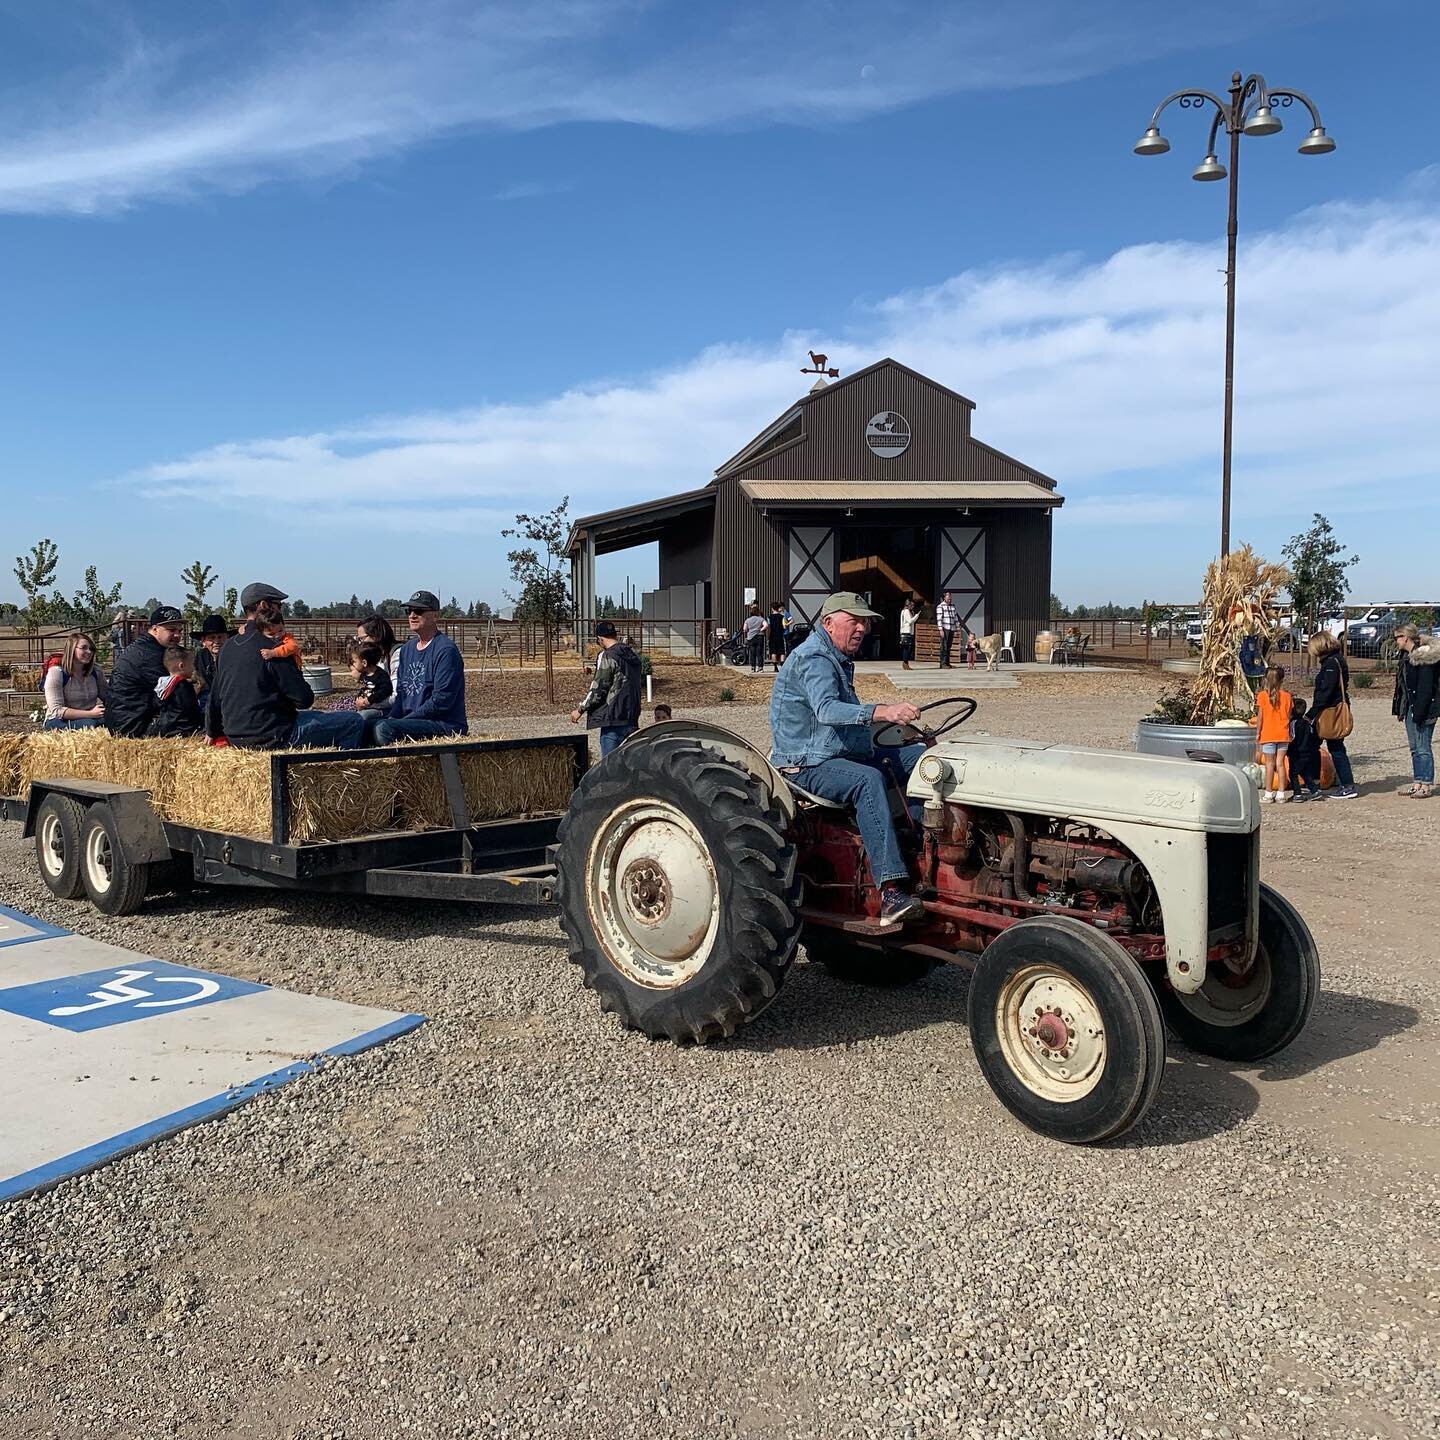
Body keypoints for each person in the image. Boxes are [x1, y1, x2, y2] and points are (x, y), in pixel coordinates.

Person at [769, 592, 927, 926]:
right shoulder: (815, 658)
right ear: (828, 622)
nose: (862, 628)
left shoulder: (836, 657)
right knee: (867, 780)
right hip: (806, 762)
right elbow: (827, 710)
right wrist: (884, 711)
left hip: (836, 752)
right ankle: (891, 893)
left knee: (922, 759)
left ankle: (916, 844)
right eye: (853, 620)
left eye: (865, 621)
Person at [206, 582, 365, 750]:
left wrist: (212, 731)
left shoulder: (227, 647)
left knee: (317, 715)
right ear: (263, 605)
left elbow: (215, 697)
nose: (281, 610)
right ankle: (341, 774)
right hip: (273, 735)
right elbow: (304, 699)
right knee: (353, 721)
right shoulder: (274, 648)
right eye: (278, 605)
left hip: (236, 737)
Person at [367, 591, 468, 744]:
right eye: (409, 611)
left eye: (419, 611)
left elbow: (441, 701)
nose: (412, 615)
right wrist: (393, 718)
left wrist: (403, 721)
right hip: (413, 720)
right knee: (361, 725)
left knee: (384, 729)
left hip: (442, 724)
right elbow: (401, 693)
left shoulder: (446, 651)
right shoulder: (407, 649)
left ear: (435, 616)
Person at [105, 604, 186, 738]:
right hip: (132, 727)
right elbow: (175, 690)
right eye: (171, 630)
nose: (177, 635)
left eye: (180, 630)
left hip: (126, 719)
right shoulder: (151, 655)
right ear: (154, 629)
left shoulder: (147, 647)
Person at [570, 619, 643, 757]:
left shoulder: (608, 656)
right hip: (631, 716)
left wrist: (581, 709)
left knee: (610, 769)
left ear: (600, 639)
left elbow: (599, 688)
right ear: (615, 635)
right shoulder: (632, 654)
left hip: (613, 718)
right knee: (630, 767)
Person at [1391, 622, 1440, 798]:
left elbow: (1426, 688)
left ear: (1405, 637)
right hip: (1410, 707)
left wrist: (1420, 712)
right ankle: (1417, 782)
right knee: (1414, 747)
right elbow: (1402, 686)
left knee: (1423, 746)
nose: (1396, 641)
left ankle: (1426, 785)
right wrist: (1400, 708)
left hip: (1425, 708)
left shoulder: (1425, 656)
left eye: (1397, 637)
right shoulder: (1406, 657)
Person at [1309, 631, 1357, 798]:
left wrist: (1311, 714)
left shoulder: (1331, 664)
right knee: (1320, 745)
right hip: (1331, 708)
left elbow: (1326, 691)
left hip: (1330, 710)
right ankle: (1318, 782)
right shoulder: (1336, 660)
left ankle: (1347, 785)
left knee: (1335, 748)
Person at [42, 632, 107, 730]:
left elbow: (107, 695)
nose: (89, 652)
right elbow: (57, 710)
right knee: (88, 725)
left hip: (91, 716)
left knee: (115, 720)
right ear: (71, 649)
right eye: (84, 648)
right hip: (60, 720)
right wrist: (90, 714)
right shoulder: (56, 673)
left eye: (91, 649)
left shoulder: (96, 671)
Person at [1253, 665, 1295, 802]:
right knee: (1281, 763)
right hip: (1283, 734)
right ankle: (1281, 794)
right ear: (1282, 679)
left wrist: (1258, 733)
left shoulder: (1262, 696)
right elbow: (1289, 716)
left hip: (1268, 734)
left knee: (1269, 765)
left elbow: (1260, 718)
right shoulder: (1288, 696)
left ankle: (1268, 793)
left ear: (1266, 678)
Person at [149, 647, 203, 738]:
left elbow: (156, 704)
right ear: (181, 666)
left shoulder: (162, 685)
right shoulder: (183, 686)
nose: (194, 668)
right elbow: (191, 709)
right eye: (192, 664)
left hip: (165, 727)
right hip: (182, 728)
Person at [1289, 697, 1324, 802]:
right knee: (1305, 772)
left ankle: (1297, 793)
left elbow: (1292, 738)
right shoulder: (1308, 723)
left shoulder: (1293, 723)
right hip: (1308, 752)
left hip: (1296, 753)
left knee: (1293, 773)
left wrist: (1288, 749)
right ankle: (1314, 790)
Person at [350, 640, 394, 720]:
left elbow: (385, 690)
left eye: (355, 661)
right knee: (353, 717)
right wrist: (359, 698)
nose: (354, 664)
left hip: (379, 709)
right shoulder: (365, 674)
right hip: (367, 707)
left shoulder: (381, 675)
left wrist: (368, 701)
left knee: (362, 717)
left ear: (364, 663)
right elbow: (364, 689)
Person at [193, 615, 228, 700]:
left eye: (220, 637)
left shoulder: (233, 656)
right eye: (212, 638)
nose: (217, 642)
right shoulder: (200, 657)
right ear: (203, 641)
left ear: (227, 638)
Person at [935, 591, 958, 669]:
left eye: (950, 598)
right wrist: (940, 629)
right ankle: (943, 663)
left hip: (951, 628)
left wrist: (957, 626)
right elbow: (939, 619)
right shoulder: (940, 606)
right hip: (945, 628)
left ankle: (947, 663)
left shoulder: (953, 606)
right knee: (944, 646)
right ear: (944, 598)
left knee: (949, 646)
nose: (950, 599)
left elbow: (955, 617)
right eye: (948, 598)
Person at [742, 605, 767, 673]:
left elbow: (744, 629)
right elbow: (766, 625)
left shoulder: (748, 620)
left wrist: (749, 631)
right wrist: (760, 629)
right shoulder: (761, 619)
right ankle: (760, 667)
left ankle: (753, 667)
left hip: (751, 638)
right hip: (759, 637)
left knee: (752, 653)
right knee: (759, 653)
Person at [899, 596, 921, 670]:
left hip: (908, 632)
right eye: (912, 605)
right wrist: (916, 616)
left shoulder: (906, 611)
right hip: (906, 632)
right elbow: (910, 621)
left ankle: (906, 663)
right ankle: (905, 662)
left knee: (908, 648)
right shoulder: (906, 611)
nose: (913, 607)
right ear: (908, 605)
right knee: (906, 649)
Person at [767, 601, 787, 673]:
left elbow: (768, 626)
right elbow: (784, 626)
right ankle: (782, 666)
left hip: (772, 635)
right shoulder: (782, 617)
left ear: (772, 608)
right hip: (780, 635)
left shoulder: (769, 617)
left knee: (773, 651)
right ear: (778, 608)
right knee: (782, 651)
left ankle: (775, 667)